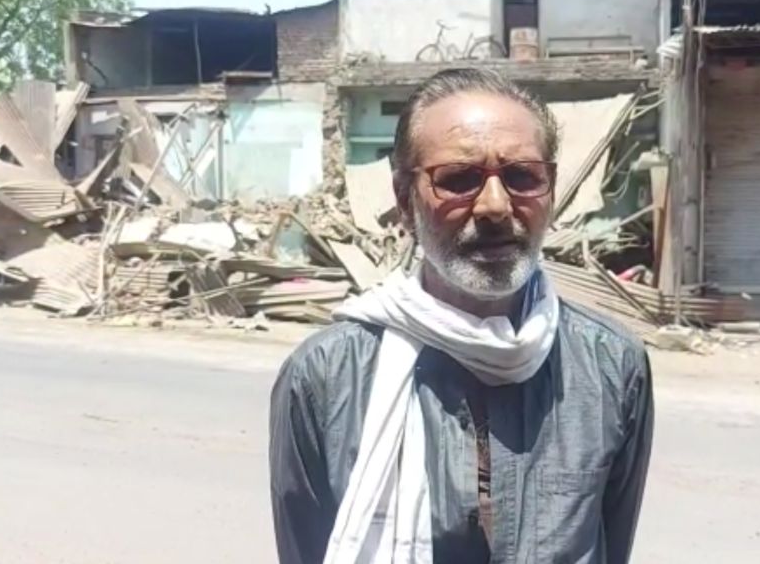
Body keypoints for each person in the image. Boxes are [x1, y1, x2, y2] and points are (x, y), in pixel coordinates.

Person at [269, 68, 653, 564]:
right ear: (404, 201)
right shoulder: (325, 377)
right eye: (458, 180)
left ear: (551, 189)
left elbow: (611, 545)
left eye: (521, 177)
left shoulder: (612, 366)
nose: (495, 206)